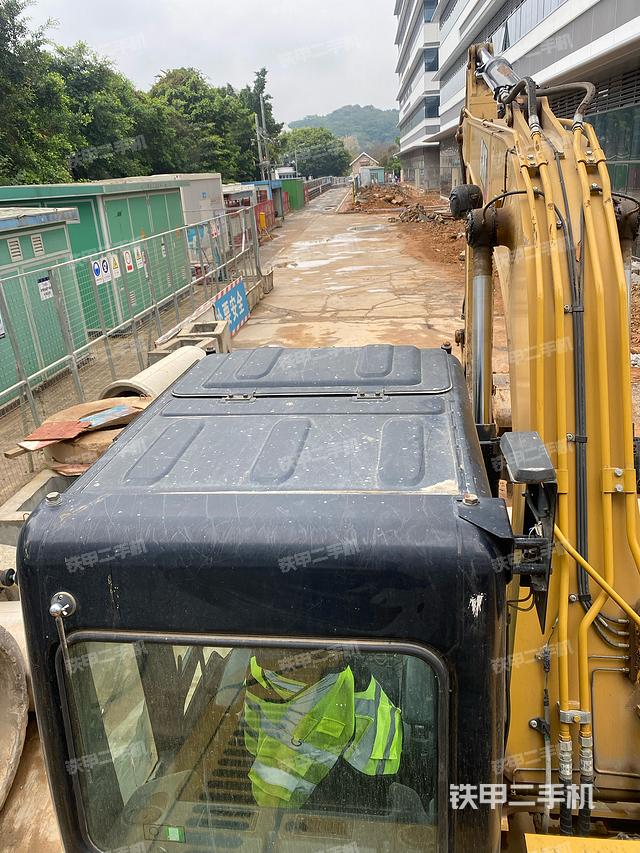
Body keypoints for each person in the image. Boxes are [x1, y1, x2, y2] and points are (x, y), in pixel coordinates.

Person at [242, 649, 403, 809]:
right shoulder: (256, 666)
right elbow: (250, 738)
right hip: (276, 786)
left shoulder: (340, 688)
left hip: (362, 769)